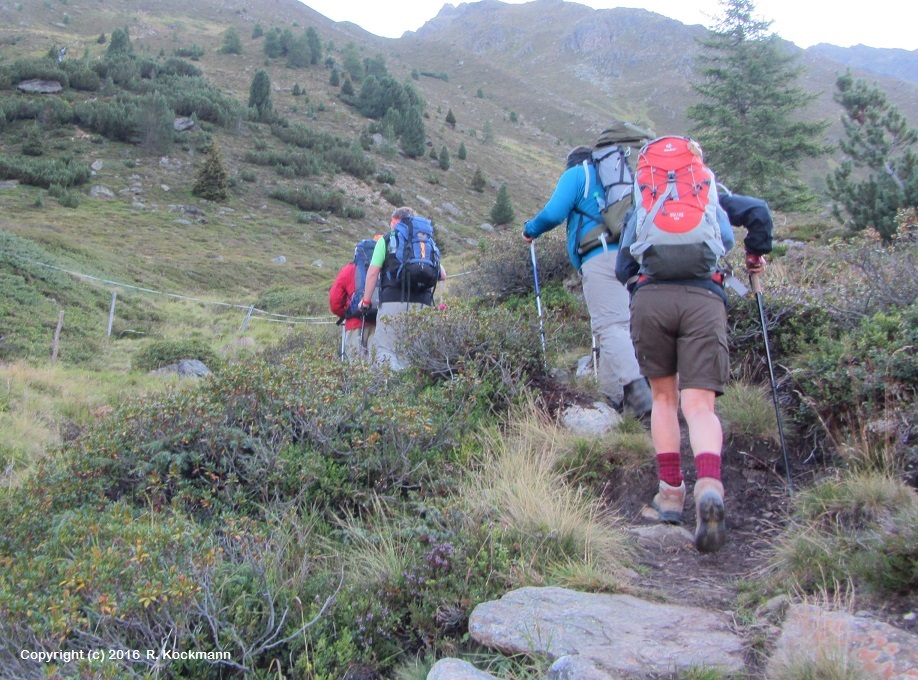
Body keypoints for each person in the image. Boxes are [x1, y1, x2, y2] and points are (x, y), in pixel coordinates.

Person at [616, 172, 773, 553]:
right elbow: (759, 211)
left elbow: (623, 268)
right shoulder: (709, 193)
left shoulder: (645, 197)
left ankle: (670, 494)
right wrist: (754, 256)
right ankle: (709, 486)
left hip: (651, 300)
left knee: (664, 400)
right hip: (704, 298)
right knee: (699, 406)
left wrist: (644, 284)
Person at [522, 145, 653, 417]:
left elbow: (553, 213)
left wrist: (530, 230)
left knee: (610, 325)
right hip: (634, 255)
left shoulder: (577, 173)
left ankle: (639, 392)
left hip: (601, 256)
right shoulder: (616, 178)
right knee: (617, 324)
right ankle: (614, 397)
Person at [358, 207, 446, 370]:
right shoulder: (427, 244)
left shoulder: (387, 241)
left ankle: (390, 391)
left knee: (386, 350)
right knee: (416, 353)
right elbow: (442, 275)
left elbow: (372, 273)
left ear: (395, 221)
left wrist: (366, 301)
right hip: (423, 304)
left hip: (393, 302)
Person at [328, 237, 380, 361]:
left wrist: (348, 314)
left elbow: (335, 301)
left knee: (356, 368)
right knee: (378, 365)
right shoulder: (383, 270)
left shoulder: (348, 270)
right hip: (379, 323)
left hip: (355, 324)